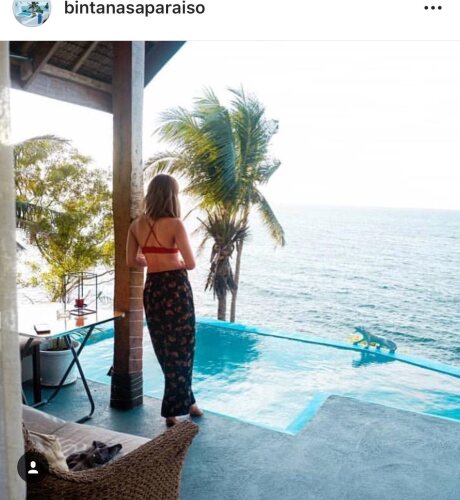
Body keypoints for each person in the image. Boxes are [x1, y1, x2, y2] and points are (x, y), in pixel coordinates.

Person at [126, 174, 203, 427]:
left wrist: (152, 259)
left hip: (153, 289)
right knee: (183, 349)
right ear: (172, 196)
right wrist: (174, 261)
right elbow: (190, 263)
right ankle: (171, 411)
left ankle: (189, 402)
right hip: (175, 289)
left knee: (164, 348)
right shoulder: (175, 224)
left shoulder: (136, 225)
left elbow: (131, 260)